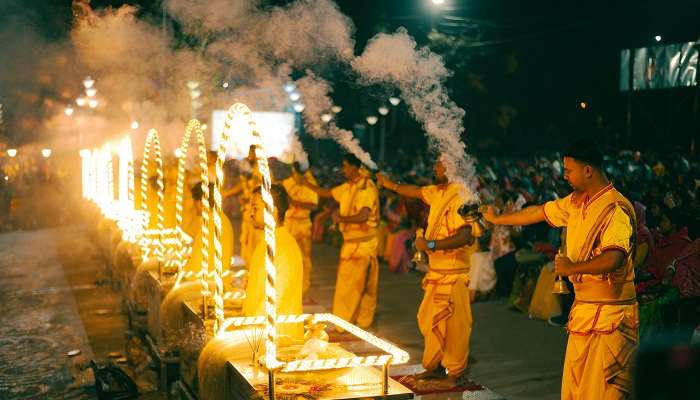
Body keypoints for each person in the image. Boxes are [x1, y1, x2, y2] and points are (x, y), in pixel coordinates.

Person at [482, 138, 638, 399]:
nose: (564, 176)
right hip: (584, 312)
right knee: (576, 390)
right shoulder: (576, 202)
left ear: (588, 170)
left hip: (612, 316)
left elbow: (614, 259)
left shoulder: (615, 209)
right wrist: (497, 218)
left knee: (604, 391)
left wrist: (571, 267)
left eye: (568, 170)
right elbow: (537, 213)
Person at [377, 159, 475, 385]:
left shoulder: (460, 195)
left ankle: (456, 371)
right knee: (429, 320)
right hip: (436, 272)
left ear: (452, 166)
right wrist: (390, 185)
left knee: (455, 325)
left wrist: (430, 245)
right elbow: (413, 191)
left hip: (453, 274)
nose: (434, 169)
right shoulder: (437, 192)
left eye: (439, 165)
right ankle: (435, 366)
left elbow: (466, 236)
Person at [303, 154, 380, 329]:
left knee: (351, 287)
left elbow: (364, 215)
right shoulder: (349, 186)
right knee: (357, 286)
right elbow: (328, 193)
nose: (343, 169)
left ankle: (344, 323)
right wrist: (306, 184)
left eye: (345, 166)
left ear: (355, 167)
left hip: (362, 245)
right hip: (353, 244)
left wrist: (341, 219)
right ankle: (358, 321)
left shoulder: (365, 188)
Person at [243, 184, 303, 339]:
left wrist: (248, 330)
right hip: (257, 332)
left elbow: (273, 299)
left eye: (255, 208)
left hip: (277, 337)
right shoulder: (267, 243)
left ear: (272, 211)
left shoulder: (284, 248)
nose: (251, 213)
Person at [281, 162, 319, 296]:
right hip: (287, 224)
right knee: (285, 256)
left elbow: (314, 206)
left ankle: (302, 289)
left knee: (303, 258)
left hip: (302, 225)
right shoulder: (287, 182)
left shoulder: (311, 183)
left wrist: (295, 203)